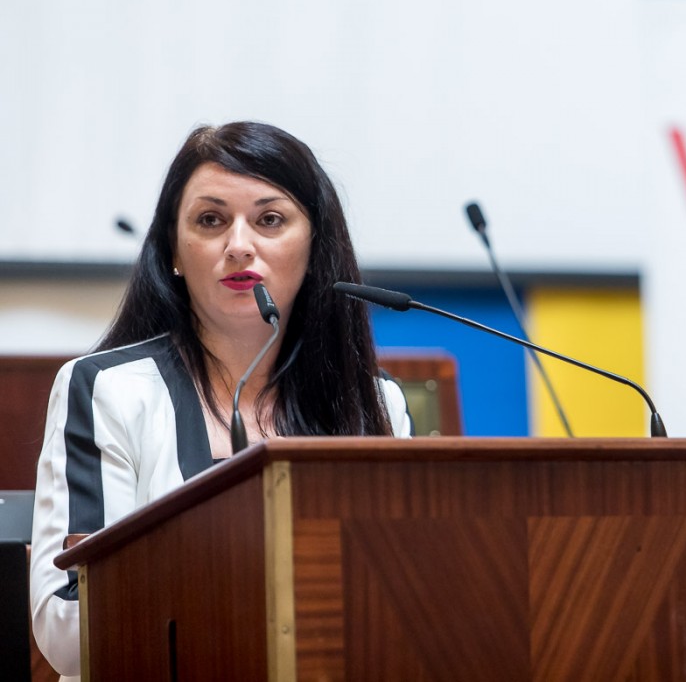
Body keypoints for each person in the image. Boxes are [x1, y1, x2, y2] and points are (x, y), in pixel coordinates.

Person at [29, 121, 411, 678]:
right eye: (211, 220)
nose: (239, 246)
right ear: (174, 249)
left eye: (269, 220)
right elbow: (68, 630)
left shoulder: (373, 402)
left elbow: (394, 605)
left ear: (315, 247)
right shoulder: (109, 391)